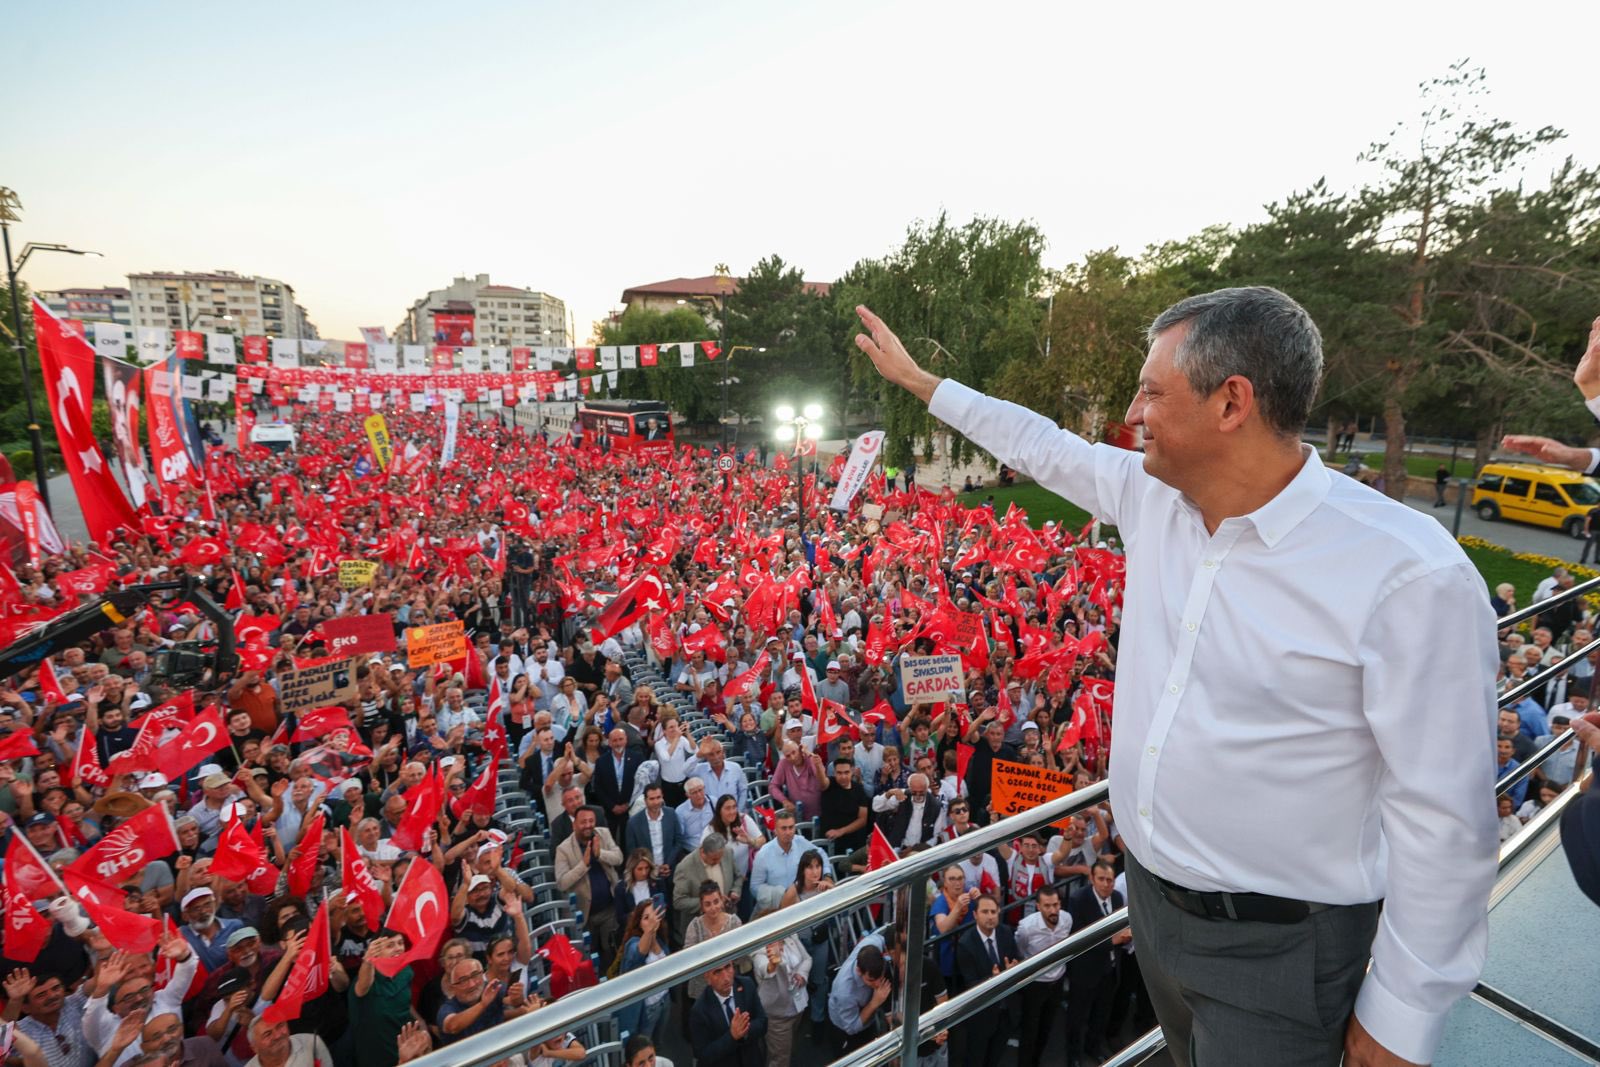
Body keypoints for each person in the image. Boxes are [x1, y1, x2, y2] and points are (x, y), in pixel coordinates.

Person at [855, 290, 1500, 1067]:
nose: (1133, 411)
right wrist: (927, 384)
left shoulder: (1406, 574)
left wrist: (1403, 1016)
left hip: (1282, 950)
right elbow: (1042, 443)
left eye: (1152, 390)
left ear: (1233, 401)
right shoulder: (1152, 496)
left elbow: (1447, 819)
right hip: (1151, 910)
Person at [1064, 862, 1131, 1066]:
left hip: (1110, 969)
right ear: (1092, 878)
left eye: (1109, 880)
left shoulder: (1118, 898)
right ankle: (1073, 1055)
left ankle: (1093, 1047)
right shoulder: (1078, 900)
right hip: (1085, 970)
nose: (1105, 884)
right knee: (1077, 1015)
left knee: (1101, 1013)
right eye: (1101, 879)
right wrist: (1113, 941)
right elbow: (1078, 938)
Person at [953, 894, 1020, 1066]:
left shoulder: (1005, 933)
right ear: (975, 915)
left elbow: (1015, 960)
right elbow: (970, 983)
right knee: (976, 1059)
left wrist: (1014, 968)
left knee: (995, 1058)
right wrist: (993, 979)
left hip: (1005, 1011)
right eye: (985, 911)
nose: (990, 916)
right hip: (981, 1016)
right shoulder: (966, 944)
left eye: (993, 911)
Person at [1016, 882, 1073, 1067]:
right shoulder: (1026, 928)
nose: (1053, 910)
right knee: (1029, 1031)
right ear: (1038, 907)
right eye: (1047, 906)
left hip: (1057, 981)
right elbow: (1022, 950)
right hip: (1035, 984)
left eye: (1055, 905)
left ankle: (1036, 1062)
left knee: (1046, 1028)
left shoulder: (1067, 919)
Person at [688, 961, 767, 1067]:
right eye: (717, 972)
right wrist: (732, 1036)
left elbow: (763, 1022)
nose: (726, 977)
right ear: (707, 978)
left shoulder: (746, 985)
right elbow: (703, 1055)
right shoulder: (699, 1010)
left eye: (728, 967)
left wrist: (744, 1030)